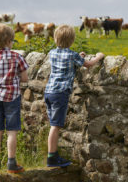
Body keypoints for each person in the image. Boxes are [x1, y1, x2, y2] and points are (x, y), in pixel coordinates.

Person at [44, 24, 104, 167]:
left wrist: (79, 57)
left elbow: (67, 63)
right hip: (60, 93)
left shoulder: (52, 53)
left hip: (49, 92)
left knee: (53, 124)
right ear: (71, 40)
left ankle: (53, 154)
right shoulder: (72, 55)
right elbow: (88, 65)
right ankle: (52, 157)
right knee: (55, 125)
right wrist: (98, 57)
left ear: (55, 38)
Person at [0, 23, 29, 173]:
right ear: (9, 40)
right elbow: (25, 78)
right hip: (12, 97)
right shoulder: (17, 57)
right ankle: (11, 162)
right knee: (12, 131)